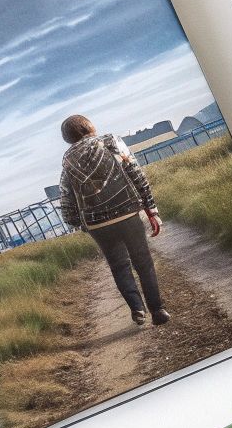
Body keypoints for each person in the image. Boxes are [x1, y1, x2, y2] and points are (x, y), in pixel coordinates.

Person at [56, 114, 171, 326]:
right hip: (127, 211)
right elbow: (136, 173)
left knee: (119, 266)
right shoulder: (111, 141)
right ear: (89, 126)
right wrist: (151, 209)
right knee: (143, 261)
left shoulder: (67, 160)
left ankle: (137, 309)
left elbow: (66, 196)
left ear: (67, 137)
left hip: (96, 223)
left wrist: (79, 223)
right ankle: (157, 310)